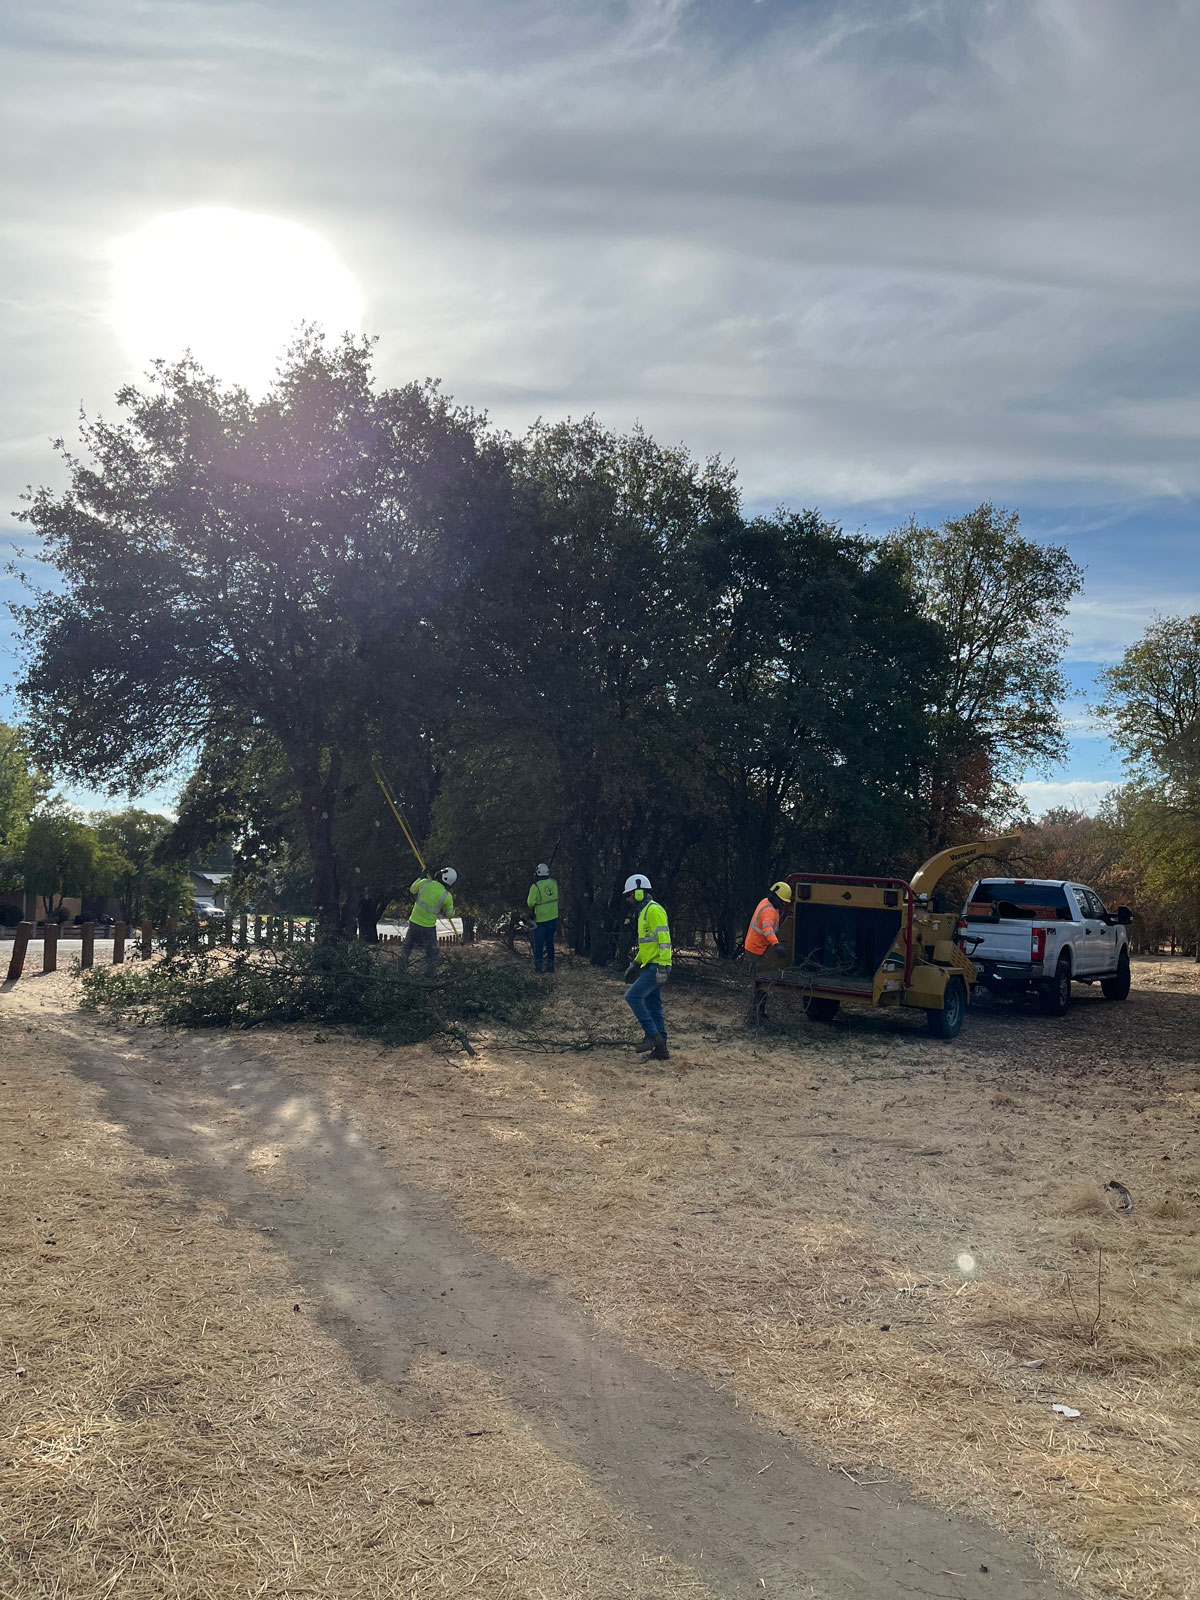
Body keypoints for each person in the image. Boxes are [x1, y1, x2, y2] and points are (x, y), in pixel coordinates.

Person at [621, 873, 672, 1060]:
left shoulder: (654, 911)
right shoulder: (643, 913)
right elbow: (647, 945)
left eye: (630, 895)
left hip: (657, 966)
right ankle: (662, 1049)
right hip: (650, 965)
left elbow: (664, 940)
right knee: (654, 1007)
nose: (628, 899)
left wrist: (662, 967)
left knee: (632, 996)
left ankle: (652, 1036)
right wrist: (634, 963)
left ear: (639, 892)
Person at [743, 880, 793, 1023]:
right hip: (756, 950)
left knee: (761, 983)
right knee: (758, 984)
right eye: (782, 901)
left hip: (756, 948)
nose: (783, 904)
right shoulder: (769, 911)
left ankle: (759, 1012)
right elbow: (767, 929)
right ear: (775, 897)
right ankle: (754, 1015)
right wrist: (776, 945)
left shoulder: (765, 902)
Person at [401, 867, 457, 978]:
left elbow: (412, 889)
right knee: (431, 953)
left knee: (407, 948)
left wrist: (420, 878)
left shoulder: (425, 883)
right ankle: (430, 976)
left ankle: (401, 970)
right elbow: (450, 914)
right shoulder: (447, 896)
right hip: (428, 927)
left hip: (414, 922)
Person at [526, 862, 559, 973]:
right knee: (550, 942)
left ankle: (538, 967)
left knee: (539, 944)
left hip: (540, 920)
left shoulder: (535, 887)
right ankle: (551, 966)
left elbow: (530, 903)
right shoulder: (554, 883)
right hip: (553, 918)